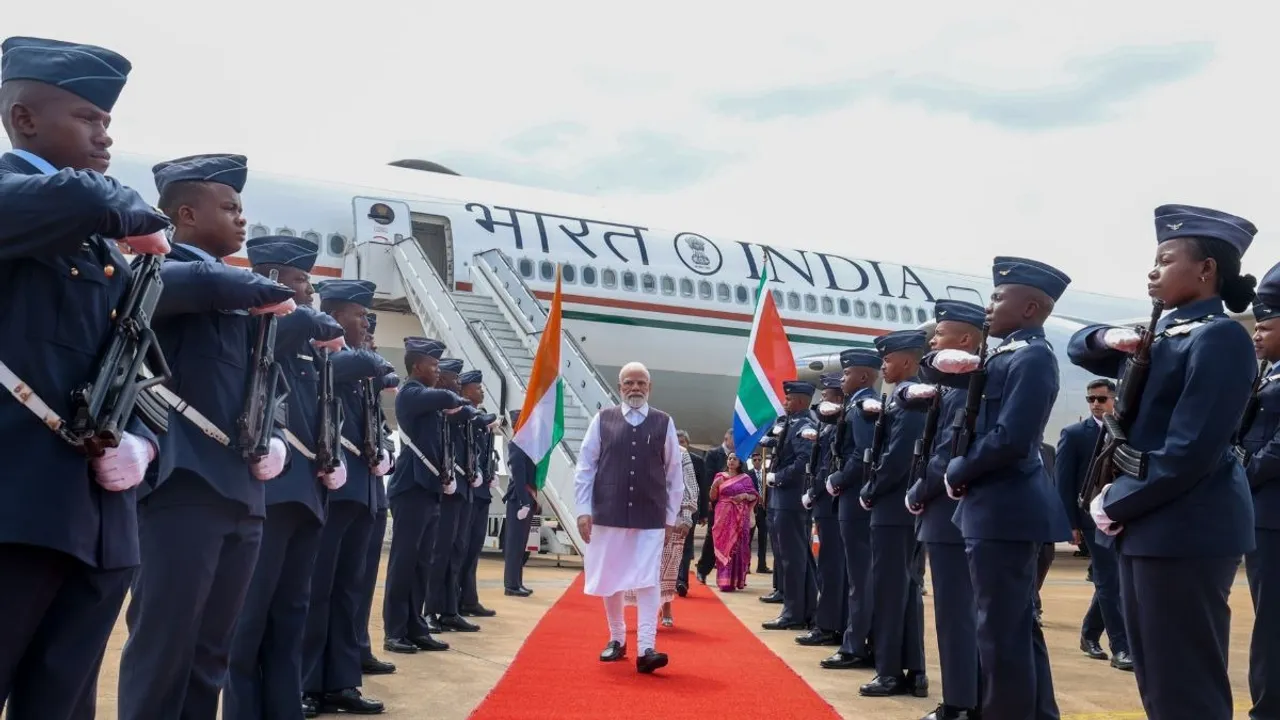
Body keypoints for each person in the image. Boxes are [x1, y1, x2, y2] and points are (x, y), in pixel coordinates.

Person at [0, 35, 172, 719]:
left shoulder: (101, 246)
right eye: (88, 119)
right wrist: (124, 206)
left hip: (98, 524)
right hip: (16, 512)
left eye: (107, 122)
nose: (106, 136)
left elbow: (145, 370)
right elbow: (80, 195)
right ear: (24, 120)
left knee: (65, 708)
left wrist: (142, 443)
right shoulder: (25, 205)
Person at [119, 153, 298, 720]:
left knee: (210, 655)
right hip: (182, 485)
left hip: (242, 492)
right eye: (230, 208)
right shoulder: (163, 275)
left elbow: (268, 385)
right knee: (165, 646)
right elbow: (176, 283)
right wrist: (249, 284)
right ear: (187, 216)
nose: (243, 220)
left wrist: (273, 436)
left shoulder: (240, 297)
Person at [1069, 206, 1258, 720]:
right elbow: (1077, 347)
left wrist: (1118, 499)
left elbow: (1191, 450)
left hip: (1187, 527)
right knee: (1157, 675)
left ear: (1206, 271)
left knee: (1185, 680)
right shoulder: (1161, 335)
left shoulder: (1219, 337)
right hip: (1150, 524)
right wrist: (1106, 339)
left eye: (1165, 259)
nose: (1152, 271)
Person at [931, 256, 1072, 720]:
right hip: (993, 507)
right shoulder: (1003, 354)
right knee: (1014, 628)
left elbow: (1011, 438)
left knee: (999, 635)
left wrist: (957, 470)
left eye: (997, 298)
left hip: (1006, 509)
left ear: (1030, 308)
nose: (988, 307)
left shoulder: (1032, 357)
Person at [224, 236, 347, 719]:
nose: (309, 291)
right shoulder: (267, 321)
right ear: (273, 281)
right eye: (300, 281)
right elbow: (311, 319)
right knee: (249, 619)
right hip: (274, 495)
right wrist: (302, 308)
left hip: (307, 496)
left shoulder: (304, 349)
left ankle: (281, 708)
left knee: (290, 615)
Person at [301, 279, 395, 716]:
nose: (367, 324)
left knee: (349, 593)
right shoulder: (324, 358)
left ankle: (340, 681)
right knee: (315, 593)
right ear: (336, 318)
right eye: (360, 316)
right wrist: (369, 356)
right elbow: (369, 367)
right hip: (334, 493)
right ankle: (305, 681)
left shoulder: (357, 367)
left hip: (362, 494)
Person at [905, 299, 986, 720]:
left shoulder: (964, 389)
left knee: (956, 616)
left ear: (966, 340)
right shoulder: (951, 388)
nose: (932, 341)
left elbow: (948, 455)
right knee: (956, 615)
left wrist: (919, 489)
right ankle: (966, 697)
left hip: (948, 513)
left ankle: (960, 703)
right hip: (942, 512)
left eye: (939, 334)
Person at [575, 361, 684, 673]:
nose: (635, 388)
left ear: (649, 388)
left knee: (648, 578)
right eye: (629, 383)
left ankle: (647, 647)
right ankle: (617, 638)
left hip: (650, 515)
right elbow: (586, 466)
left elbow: (674, 472)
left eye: (641, 383)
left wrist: (671, 516)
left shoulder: (664, 422)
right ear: (619, 386)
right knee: (611, 578)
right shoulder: (602, 420)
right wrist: (583, 510)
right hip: (608, 513)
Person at [382, 337, 467, 654]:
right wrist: (452, 398)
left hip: (428, 489)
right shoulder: (412, 393)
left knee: (422, 563)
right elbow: (445, 395)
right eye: (433, 365)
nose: (437, 370)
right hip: (410, 489)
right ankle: (394, 630)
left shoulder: (427, 397)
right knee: (404, 563)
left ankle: (415, 627)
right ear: (417, 366)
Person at [859, 330, 929, 698]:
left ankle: (889, 671)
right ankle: (913, 668)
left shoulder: (908, 402)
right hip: (899, 508)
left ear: (906, 362)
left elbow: (899, 458)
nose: (883, 366)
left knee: (890, 590)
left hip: (892, 508)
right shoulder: (902, 399)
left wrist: (870, 490)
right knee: (904, 589)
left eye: (887, 360)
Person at [1055, 379, 1132, 671]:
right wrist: (1070, 524)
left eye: (1101, 398)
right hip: (1090, 519)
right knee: (1110, 580)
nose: (1096, 404)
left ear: (1115, 400)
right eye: (1091, 399)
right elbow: (1063, 482)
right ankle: (1121, 647)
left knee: (1111, 580)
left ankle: (1089, 634)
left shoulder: (1126, 433)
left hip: (1121, 514)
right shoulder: (1074, 434)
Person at [821, 349, 881, 671]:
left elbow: (864, 454)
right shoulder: (858, 406)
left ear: (863, 377)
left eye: (846, 374)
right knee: (857, 576)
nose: (841, 379)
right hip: (852, 499)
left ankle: (855, 646)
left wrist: (838, 479)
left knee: (859, 578)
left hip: (854, 500)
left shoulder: (860, 408)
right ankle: (855, 639)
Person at [1244, 267, 1280, 720]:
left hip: (1273, 514)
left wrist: (1241, 473)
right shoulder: (1268, 373)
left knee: (1272, 623)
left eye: (1265, 328)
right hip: (1264, 512)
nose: (1256, 335)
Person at [424, 358, 483, 633]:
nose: (458, 384)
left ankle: (450, 609)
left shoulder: (461, 411)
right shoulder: (446, 409)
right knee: (440, 552)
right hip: (449, 487)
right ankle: (431, 610)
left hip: (463, 488)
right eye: (455, 380)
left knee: (456, 552)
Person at [355, 313, 398, 676]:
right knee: (329, 591)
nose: (370, 339)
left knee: (361, 584)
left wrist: (387, 452)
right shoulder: (334, 366)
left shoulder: (365, 383)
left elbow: (380, 430)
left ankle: (355, 650)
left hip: (370, 495)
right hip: (341, 495)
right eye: (365, 330)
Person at [762, 381, 819, 631]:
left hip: (791, 499)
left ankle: (794, 613)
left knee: (793, 559)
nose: (784, 403)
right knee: (791, 557)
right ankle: (802, 609)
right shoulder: (790, 424)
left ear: (800, 401)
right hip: (782, 499)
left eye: (788, 399)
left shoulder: (803, 426)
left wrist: (781, 476)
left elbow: (805, 460)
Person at [797, 375, 848, 647]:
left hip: (829, 504)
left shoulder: (839, 425)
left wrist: (815, 492)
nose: (822, 402)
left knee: (831, 568)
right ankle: (827, 621)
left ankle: (827, 625)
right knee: (828, 567)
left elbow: (830, 468)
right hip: (824, 503)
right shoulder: (828, 427)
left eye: (827, 396)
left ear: (838, 398)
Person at [625, 440, 697, 626]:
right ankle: (645, 611)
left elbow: (690, 486)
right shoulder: (642, 449)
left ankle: (666, 606)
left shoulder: (681, 454)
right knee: (642, 564)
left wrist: (687, 516)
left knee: (667, 565)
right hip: (644, 516)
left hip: (673, 518)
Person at [458, 369, 500, 618]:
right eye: (477, 387)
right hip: (468, 491)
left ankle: (469, 598)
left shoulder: (481, 417)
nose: (481, 391)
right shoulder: (463, 417)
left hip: (482, 492)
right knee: (460, 549)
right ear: (464, 391)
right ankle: (455, 600)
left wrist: (490, 472)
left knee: (473, 549)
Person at [710, 453, 759, 591]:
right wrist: (714, 487)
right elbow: (713, 497)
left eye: (734, 459)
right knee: (723, 545)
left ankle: (737, 580)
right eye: (729, 458)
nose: (731, 461)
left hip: (740, 517)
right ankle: (724, 581)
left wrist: (744, 495)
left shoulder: (746, 479)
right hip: (723, 515)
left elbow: (754, 496)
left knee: (737, 547)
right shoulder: (720, 476)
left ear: (740, 463)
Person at [503, 409, 537, 596]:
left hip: (525, 499)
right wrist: (525, 502)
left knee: (521, 544)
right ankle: (511, 585)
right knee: (514, 544)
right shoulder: (517, 445)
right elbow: (518, 476)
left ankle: (517, 582)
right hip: (518, 499)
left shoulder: (527, 445)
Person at [693, 430, 732, 584]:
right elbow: (708, 478)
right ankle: (703, 569)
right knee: (712, 536)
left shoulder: (740, 455)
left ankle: (728, 575)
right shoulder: (714, 454)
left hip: (733, 505)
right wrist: (708, 500)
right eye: (733, 439)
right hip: (717, 502)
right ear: (726, 438)